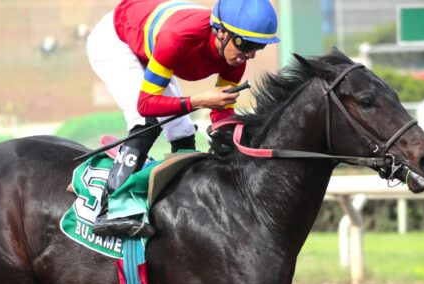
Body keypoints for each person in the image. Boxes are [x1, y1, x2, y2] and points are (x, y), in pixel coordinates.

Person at [86, 0, 280, 237]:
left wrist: (238, 144)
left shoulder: (234, 57)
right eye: (245, 44)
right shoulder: (179, 39)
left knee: (183, 132)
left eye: (258, 47)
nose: (249, 54)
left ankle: (183, 201)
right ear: (221, 32)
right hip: (115, 41)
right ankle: (111, 208)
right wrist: (198, 101)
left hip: (150, 41)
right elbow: (146, 105)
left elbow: (222, 114)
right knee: (147, 122)